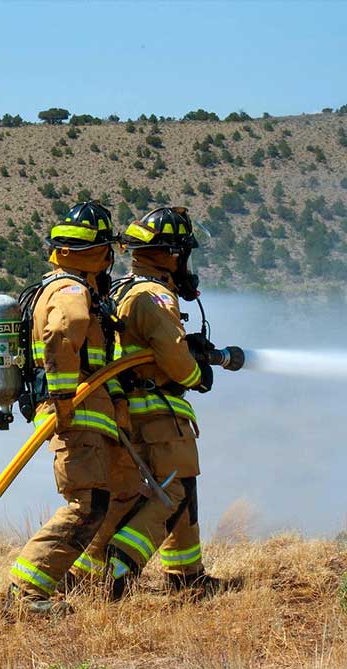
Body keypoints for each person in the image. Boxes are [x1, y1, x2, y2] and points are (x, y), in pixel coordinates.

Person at [85, 207, 239, 599]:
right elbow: (172, 355)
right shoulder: (154, 295)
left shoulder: (121, 290)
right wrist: (196, 373)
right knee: (176, 493)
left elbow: (147, 345)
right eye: (184, 253)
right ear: (170, 254)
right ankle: (120, 567)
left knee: (140, 497)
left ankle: (185, 576)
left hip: (127, 413)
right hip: (157, 414)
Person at [6, 202, 122, 615]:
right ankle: (26, 593)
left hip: (80, 411)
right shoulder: (72, 290)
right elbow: (60, 333)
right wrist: (63, 400)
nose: (111, 261)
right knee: (84, 506)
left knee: (95, 503)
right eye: (108, 250)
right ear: (96, 252)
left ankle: (51, 584)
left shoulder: (53, 286)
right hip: (76, 413)